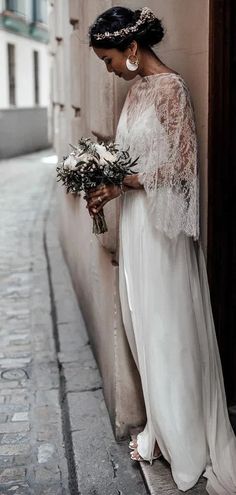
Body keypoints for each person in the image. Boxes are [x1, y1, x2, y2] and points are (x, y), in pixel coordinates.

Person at [87, 6, 236, 494]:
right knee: (142, 324)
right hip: (137, 228)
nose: (107, 68)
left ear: (131, 49)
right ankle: (162, 426)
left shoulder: (172, 90)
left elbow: (177, 170)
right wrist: (111, 187)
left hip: (162, 234)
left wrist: (120, 181)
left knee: (168, 327)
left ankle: (186, 440)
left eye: (109, 59)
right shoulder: (136, 92)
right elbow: (137, 164)